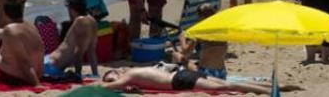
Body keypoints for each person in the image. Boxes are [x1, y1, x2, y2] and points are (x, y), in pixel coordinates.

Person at [42, 0, 99, 78]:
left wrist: (78, 75)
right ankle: (95, 74)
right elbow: (91, 51)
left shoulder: (80, 21)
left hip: (51, 65)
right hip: (51, 62)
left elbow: (78, 53)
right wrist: (95, 74)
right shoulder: (92, 20)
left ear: (72, 9)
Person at [98, 67, 271, 94]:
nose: (110, 79)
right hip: (183, 73)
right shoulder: (135, 71)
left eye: (110, 76)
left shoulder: (128, 77)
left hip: (180, 80)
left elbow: (107, 87)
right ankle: (271, 86)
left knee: (226, 86)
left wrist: (99, 82)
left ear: (116, 73)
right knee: (225, 83)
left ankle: (268, 92)